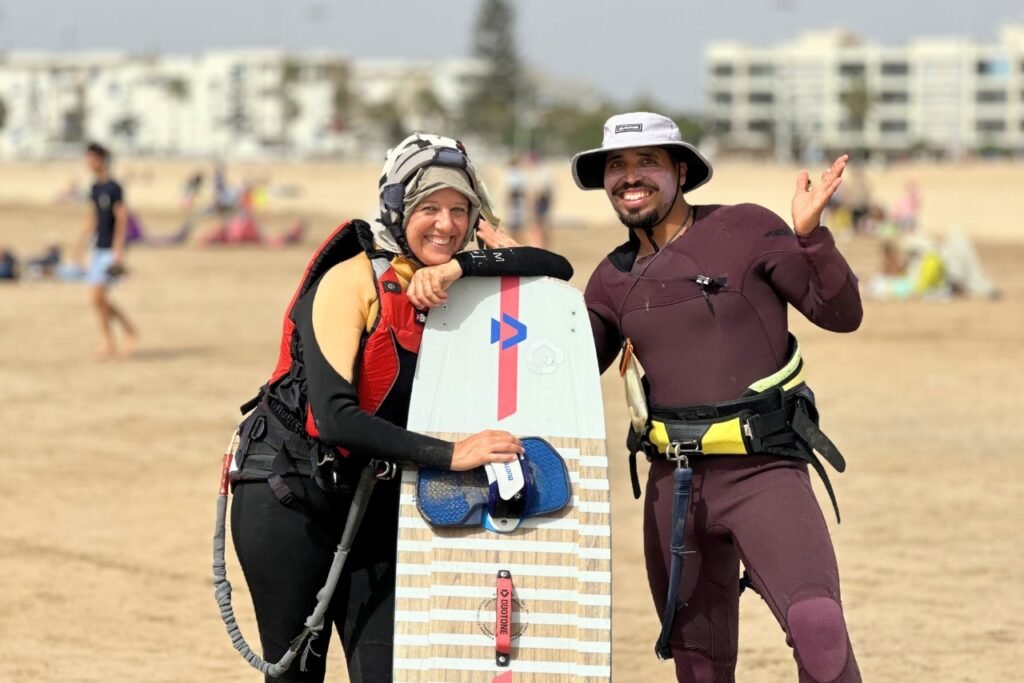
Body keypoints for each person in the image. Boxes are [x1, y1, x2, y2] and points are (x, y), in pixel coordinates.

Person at [227, 132, 574, 683]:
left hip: (378, 496)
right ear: (396, 206)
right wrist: (450, 454)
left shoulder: (448, 280)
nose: (447, 224)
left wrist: (466, 267)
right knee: (296, 674)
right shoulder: (350, 281)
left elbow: (555, 267)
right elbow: (334, 416)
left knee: (389, 671)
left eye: (461, 209)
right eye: (429, 208)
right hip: (290, 494)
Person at [573, 113, 863, 682]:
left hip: (764, 474)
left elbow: (841, 314)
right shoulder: (609, 279)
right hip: (673, 488)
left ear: (681, 170)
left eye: (646, 162)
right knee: (698, 663)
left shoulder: (747, 229)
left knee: (818, 629)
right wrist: (515, 281)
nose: (630, 177)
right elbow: (566, 371)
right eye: (617, 166)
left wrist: (811, 238)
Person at [72, 142, 137, 358]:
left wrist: (119, 248)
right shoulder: (94, 188)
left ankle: (121, 334)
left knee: (98, 296)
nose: (88, 162)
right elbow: (93, 218)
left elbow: (121, 217)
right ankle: (113, 338)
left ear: (101, 160)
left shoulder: (114, 187)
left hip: (111, 248)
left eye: (91, 158)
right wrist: (79, 244)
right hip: (98, 247)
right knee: (96, 299)